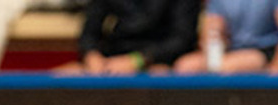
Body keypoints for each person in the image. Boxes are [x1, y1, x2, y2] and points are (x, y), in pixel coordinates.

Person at [57, 0, 200, 74]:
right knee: (62, 75)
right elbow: (88, 35)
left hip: (159, 60)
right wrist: (92, 56)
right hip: (113, 59)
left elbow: (182, 39)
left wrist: (138, 60)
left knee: (160, 74)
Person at [173, 0, 278, 75]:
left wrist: (277, 69)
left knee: (227, 67)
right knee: (185, 66)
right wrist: (212, 38)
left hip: (266, 50)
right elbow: (210, 29)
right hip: (232, 51)